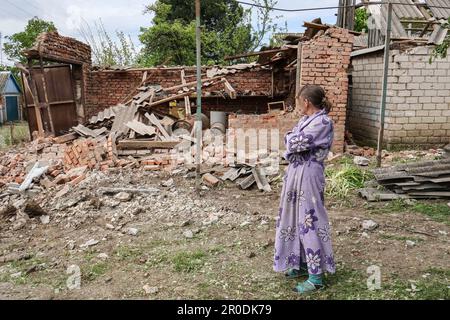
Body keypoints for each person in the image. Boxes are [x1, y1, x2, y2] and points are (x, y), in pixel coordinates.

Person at [273, 84, 335, 294]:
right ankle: (300, 263)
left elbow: (294, 143)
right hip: (295, 173)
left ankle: (316, 276)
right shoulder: (305, 121)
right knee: (293, 218)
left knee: (309, 220)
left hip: (309, 175)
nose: (298, 105)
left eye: (299, 101)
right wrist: (291, 140)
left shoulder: (323, 122)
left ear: (306, 102)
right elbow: (291, 141)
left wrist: (290, 140)